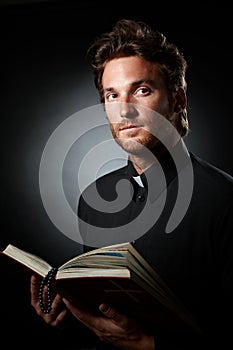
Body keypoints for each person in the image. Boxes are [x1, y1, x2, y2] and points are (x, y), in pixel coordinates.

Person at [30, 19, 233, 349]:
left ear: (178, 100)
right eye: (112, 94)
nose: (124, 109)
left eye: (142, 90)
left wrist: (148, 343)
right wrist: (69, 315)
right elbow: (108, 320)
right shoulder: (94, 198)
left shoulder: (225, 200)